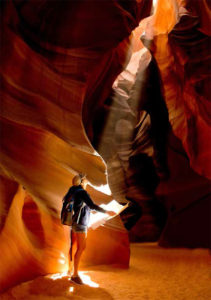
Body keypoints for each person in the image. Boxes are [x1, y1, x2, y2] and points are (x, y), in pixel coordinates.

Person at [63, 173, 116, 284]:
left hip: (74, 222)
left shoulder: (73, 190)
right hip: (80, 223)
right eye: (85, 179)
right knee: (81, 247)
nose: (87, 181)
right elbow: (92, 205)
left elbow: (81, 206)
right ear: (81, 182)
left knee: (74, 246)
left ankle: (70, 270)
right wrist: (107, 212)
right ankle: (75, 274)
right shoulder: (82, 192)